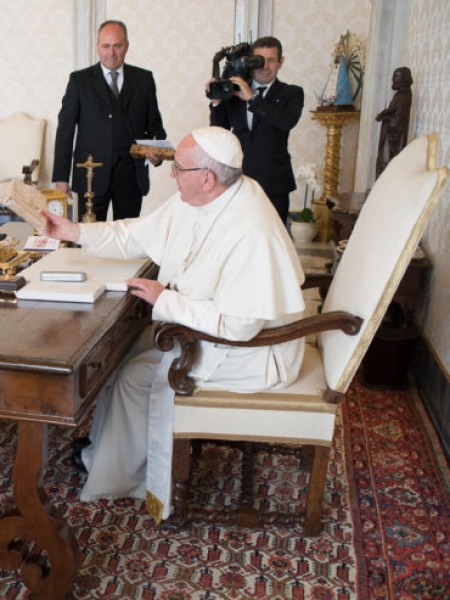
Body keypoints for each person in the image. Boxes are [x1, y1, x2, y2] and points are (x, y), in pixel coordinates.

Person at [42, 127, 306, 524]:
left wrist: (165, 300)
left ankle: (122, 476)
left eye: (179, 168)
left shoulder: (250, 227)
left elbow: (238, 327)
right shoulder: (201, 198)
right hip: (221, 334)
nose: (172, 174)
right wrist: (74, 232)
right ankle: (102, 450)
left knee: (133, 376)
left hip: (254, 352)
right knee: (125, 347)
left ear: (207, 178)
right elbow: (136, 233)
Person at [52, 20, 167, 221]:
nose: (111, 52)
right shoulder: (79, 81)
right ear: (98, 46)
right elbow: (65, 131)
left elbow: (155, 126)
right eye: (106, 46)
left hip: (131, 177)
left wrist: (158, 153)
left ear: (127, 46)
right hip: (90, 177)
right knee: (89, 237)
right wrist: (61, 179)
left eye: (117, 46)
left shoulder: (144, 79)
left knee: (127, 236)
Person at [208, 36, 304, 225]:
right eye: (259, 60)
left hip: (274, 183)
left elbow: (286, 122)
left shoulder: (292, 93)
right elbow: (219, 132)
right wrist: (217, 102)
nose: (264, 66)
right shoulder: (233, 92)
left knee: (272, 236)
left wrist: (252, 98)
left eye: (271, 60)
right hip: (238, 182)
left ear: (281, 62)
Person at [375, 66, 413, 178]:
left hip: (393, 141)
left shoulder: (404, 96)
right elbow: (393, 112)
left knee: (386, 168)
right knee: (383, 166)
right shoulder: (400, 94)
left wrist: (384, 117)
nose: (392, 79)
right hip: (389, 137)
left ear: (403, 79)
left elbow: (397, 121)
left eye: (395, 77)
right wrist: (384, 114)